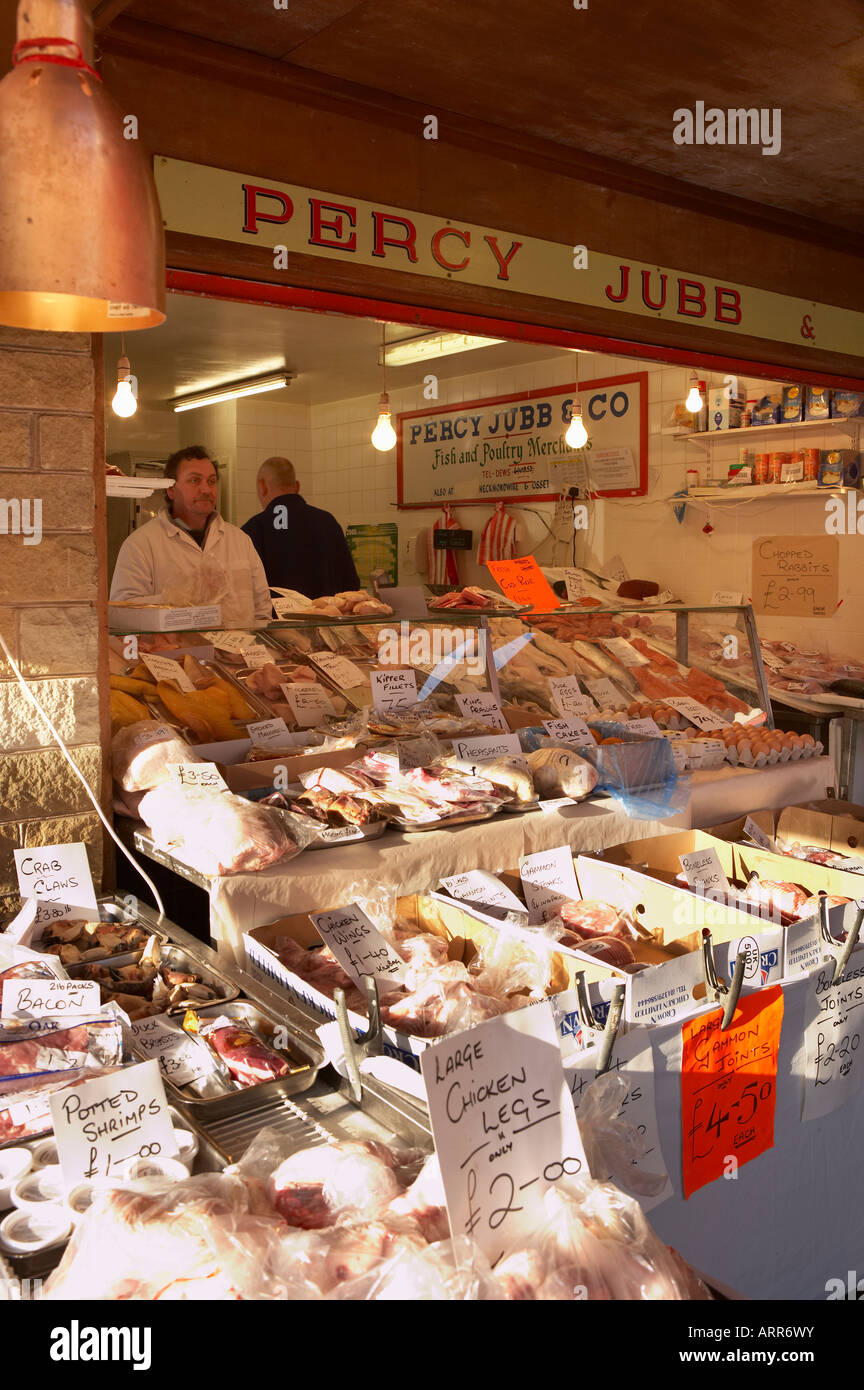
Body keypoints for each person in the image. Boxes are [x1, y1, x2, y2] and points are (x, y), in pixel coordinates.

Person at [110, 445, 272, 626]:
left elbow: (263, 612)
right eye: (195, 481)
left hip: (238, 651)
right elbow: (121, 614)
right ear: (171, 489)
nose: (206, 489)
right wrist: (176, 599)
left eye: (211, 481)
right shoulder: (140, 544)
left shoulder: (241, 541)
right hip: (175, 654)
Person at [242, 456, 360, 599]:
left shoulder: (252, 530)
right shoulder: (328, 522)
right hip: (327, 618)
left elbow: (243, 593)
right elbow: (351, 586)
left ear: (262, 486)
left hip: (273, 620)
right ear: (297, 486)